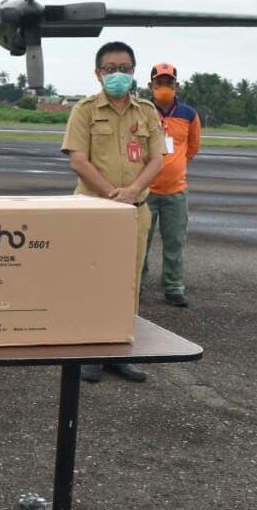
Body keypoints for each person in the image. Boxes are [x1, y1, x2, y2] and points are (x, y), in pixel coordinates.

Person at [61, 41, 165, 384]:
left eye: (124, 68)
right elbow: (78, 159)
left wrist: (132, 192)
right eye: (110, 69)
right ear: (97, 73)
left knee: (129, 282)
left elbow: (156, 159)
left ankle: (120, 351)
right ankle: (89, 352)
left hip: (135, 211)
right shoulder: (86, 110)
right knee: (92, 279)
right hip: (94, 209)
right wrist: (110, 194)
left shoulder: (147, 111)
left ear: (133, 72)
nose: (117, 75)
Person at [142, 62, 202, 308]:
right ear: (150, 86)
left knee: (175, 242)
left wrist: (174, 165)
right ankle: (136, 287)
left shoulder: (189, 114)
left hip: (176, 191)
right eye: (159, 83)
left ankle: (174, 287)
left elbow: (193, 146)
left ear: (177, 86)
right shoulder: (143, 111)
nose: (164, 87)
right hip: (145, 190)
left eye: (169, 83)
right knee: (139, 243)